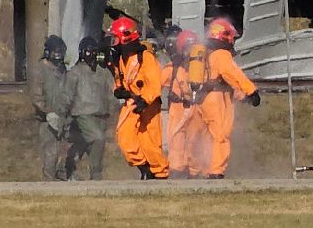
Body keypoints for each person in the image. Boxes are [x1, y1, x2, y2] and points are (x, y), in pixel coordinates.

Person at [106, 15, 169, 179]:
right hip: (132, 102)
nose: (113, 42)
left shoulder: (145, 57)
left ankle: (160, 174)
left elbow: (155, 84)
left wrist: (145, 100)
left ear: (124, 38)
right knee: (125, 137)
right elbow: (120, 78)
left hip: (149, 105)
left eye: (115, 38)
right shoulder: (120, 58)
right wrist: (119, 89)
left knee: (150, 141)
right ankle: (144, 167)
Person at [196, 16, 260, 178]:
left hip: (206, 98)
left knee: (209, 135)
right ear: (226, 36)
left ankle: (205, 167)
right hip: (217, 99)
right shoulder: (222, 54)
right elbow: (233, 74)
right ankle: (216, 171)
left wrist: (242, 96)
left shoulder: (207, 54)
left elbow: (226, 82)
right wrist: (251, 91)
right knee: (221, 135)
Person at [63, 36, 111, 180]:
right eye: (90, 52)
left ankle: (65, 169)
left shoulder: (103, 72)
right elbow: (67, 95)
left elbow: (111, 92)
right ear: (83, 53)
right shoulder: (75, 72)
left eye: (96, 52)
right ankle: (96, 174)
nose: (94, 55)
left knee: (87, 146)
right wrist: (63, 114)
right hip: (83, 113)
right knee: (98, 139)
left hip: (101, 114)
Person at [166, 28, 209, 178]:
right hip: (195, 108)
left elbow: (154, 81)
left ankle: (179, 172)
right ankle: (193, 172)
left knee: (181, 142)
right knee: (194, 142)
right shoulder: (203, 67)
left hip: (181, 110)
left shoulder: (173, 69)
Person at [30, 34, 73, 180]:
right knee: (51, 152)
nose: (59, 56)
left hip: (64, 116)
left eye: (61, 52)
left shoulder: (63, 70)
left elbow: (68, 92)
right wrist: (48, 112)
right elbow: (36, 96)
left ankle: (63, 177)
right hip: (47, 119)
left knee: (67, 150)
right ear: (48, 52)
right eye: (56, 52)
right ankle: (49, 184)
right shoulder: (40, 69)